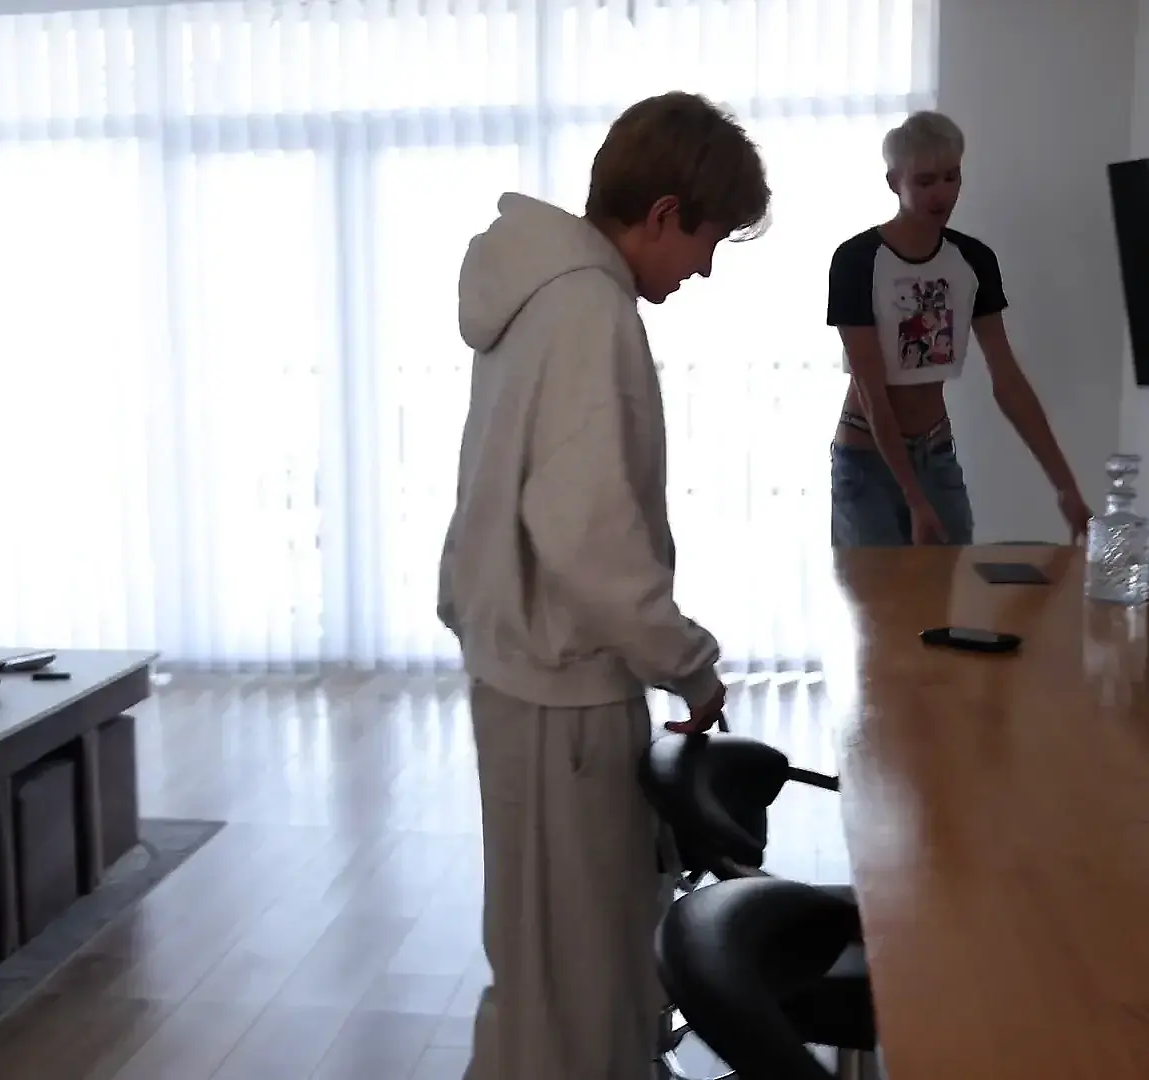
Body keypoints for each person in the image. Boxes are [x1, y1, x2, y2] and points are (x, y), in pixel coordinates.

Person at [435, 91, 771, 1080]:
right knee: (582, 977)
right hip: (562, 690)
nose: (703, 268)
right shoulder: (590, 310)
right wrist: (690, 666)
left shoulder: (543, 291)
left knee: (540, 961)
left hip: (522, 670)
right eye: (708, 240)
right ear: (664, 213)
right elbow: (588, 541)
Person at [826, 110, 1091, 546]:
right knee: (880, 590)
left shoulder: (973, 261)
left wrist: (1065, 487)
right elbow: (873, 393)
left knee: (945, 587)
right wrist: (913, 498)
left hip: (935, 455)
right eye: (925, 181)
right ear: (894, 182)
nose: (942, 193)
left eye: (952, 177)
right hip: (867, 459)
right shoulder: (857, 260)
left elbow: (1007, 379)